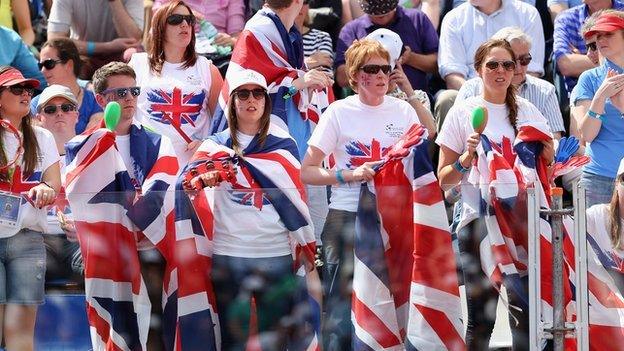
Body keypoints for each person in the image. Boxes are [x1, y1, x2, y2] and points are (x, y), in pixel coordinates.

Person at [181, 69, 318, 350]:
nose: (250, 99)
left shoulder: (283, 144)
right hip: (229, 255)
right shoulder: (213, 146)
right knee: (234, 340)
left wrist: (306, 247)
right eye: (242, 94)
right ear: (231, 102)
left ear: (266, 102)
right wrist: (201, 180)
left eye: (258, 93)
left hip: (275, 254)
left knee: (275, 338)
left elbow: (296, 198)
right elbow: (186, 185)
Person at [301, 38, 422, 350]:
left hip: (392, 219)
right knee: (341, 311)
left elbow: (427, 143)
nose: (382, 75)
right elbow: (307, 170)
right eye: (372, 69)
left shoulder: (404, 111)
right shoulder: (339, 112)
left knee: (391, 304)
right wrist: (349, 174)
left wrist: (410, 93)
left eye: (386, 68)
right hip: (347, 217)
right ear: (355, 76)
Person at [436, 39, 554, 349]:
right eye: (492, 65)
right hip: (478, 222)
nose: (500, 71)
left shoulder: (529, 111)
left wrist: (548, 154)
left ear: (516, 70)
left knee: (525, 316)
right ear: (477, 70)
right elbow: (444, 180)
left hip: (522, 222)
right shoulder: (462, 113)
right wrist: (466, 160)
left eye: (507, 65)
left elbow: (548, 169)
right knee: (482, 318)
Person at [64, 61, 178, 350]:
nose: (129, 98)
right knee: (115, 325)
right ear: (101, 99)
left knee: (152, 321)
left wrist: (134, 214)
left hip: (148, 246)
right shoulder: (83, 145)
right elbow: (77, 192)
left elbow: (160, 195)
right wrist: (104, 139)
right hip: (108, 249)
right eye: (120, 93)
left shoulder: (158, 142)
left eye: (133, 91)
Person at [0, 66, 61, 350]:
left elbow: (54, 183)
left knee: (21, 337)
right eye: (17, 89)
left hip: (28, 240)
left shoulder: (43, 137)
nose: (26, 94)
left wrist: (46, 189)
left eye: (28, 90)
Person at [129, 0, 223, 167]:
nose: (185, 24)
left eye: (189, 20)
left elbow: (224, 122)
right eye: (175, 19)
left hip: (194, 168)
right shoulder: (137, 64)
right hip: (148, 165)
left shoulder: (207, 69)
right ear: (160, 27)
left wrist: (208, 144)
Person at [456, 26, 565, 138]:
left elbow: (555, 139)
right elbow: (456, 138)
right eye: (509, 62)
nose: (517, 68)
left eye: (524, 59)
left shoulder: (545, 90)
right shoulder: (470, 88)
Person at [335, 0, 439, 96]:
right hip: (369, 102)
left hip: (414, 97)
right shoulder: (351, 30)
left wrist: (410, 57)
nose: (381, 17)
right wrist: (360, 58)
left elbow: (437, 65)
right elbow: (341, 79)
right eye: (375, 13)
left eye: (386, 13)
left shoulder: (417, 19)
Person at [35, 84, 83, 283]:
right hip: (43, 239)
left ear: (77, 115)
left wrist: (86, 228)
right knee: (29, 266)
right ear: (40, 118)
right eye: (51, 109)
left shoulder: (95, 153)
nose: (59, 113)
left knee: (101, 263)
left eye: (67, 107)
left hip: (83, 239)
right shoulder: (27, 157)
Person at [576, 11, 624, 207]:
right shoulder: (589, 78)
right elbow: (587, 134)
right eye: (598, 35)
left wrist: (621, 108)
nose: (601, 40)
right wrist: (600, 97)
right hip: (597, 177)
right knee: (590, 238)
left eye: (609, 34)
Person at [47, 0, 144, 79]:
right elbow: (54, 40)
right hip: (85, 58)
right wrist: (108, 47)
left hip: (120, 56)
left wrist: (114, 2)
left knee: (136, 55)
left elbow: (133, 39)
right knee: (66, 62)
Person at [31, 38, 103, 134]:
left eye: (48, 64)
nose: (42, 70)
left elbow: (91, 140)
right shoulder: (35, 103)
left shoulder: (95, 100)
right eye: (40, 65)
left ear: (69, 65)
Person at [553, 0, 624, 96]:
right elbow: (565, 64)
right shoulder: (565, 18)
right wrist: (615, 57)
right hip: (584, 96)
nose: (589, 54)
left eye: (608, 34)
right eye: (589, 47)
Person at [153, 0, 245, 49]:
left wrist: (231, 42)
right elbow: (157, 16)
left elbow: (237, 37)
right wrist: (182, 14)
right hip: (180, 50)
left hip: (219, 53)